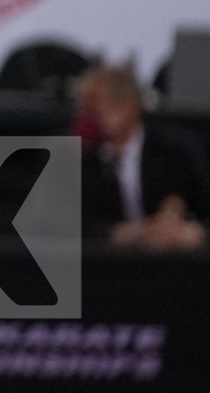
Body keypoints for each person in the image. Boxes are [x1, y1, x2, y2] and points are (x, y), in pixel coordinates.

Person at [75, 59, 210, 250]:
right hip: (105, 269)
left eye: (96, 105)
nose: (88, 115)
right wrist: (125, 232)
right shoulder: (81, 157)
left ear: (130, 106)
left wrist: (192, 231)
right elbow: (63, 223)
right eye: (85, 106)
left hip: (175, 268)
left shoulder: (176, 151)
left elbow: (201, 210)